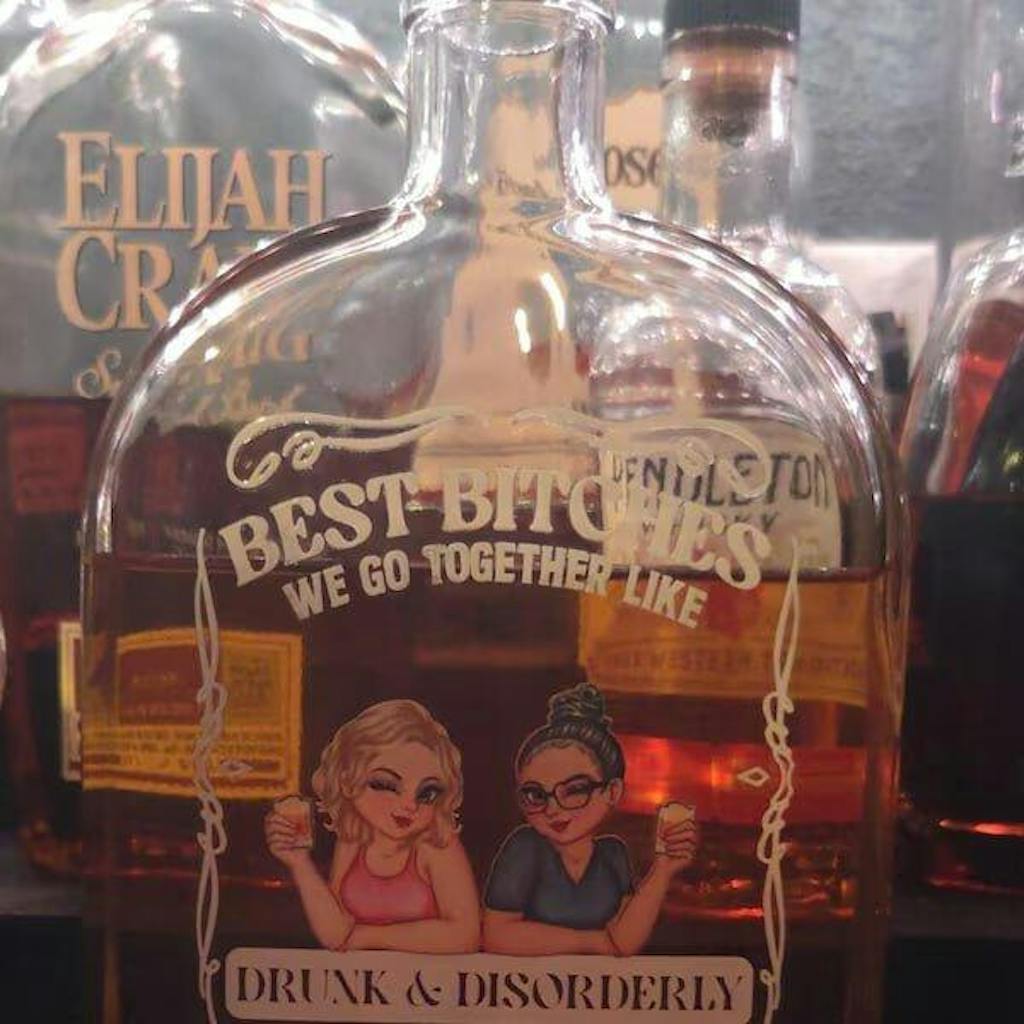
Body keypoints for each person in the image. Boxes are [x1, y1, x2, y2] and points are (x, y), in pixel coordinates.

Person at [483, 682, 698, 957]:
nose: (552, 809)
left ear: (612, 791)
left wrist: (663, 869)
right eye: (535, 794)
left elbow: (625, 942)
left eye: (574, 790)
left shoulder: (613, 854)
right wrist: (597, 942)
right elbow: (498, 936)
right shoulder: (525, 848)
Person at [265, 699, 480, 953]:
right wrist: (300, 864)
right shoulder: (354, 837)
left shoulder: (436, 842)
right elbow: (335, 934)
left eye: (427, 793)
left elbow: (465, 935)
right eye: (386, 784)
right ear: (347, 780)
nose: (409, 805)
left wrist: (366, 936)